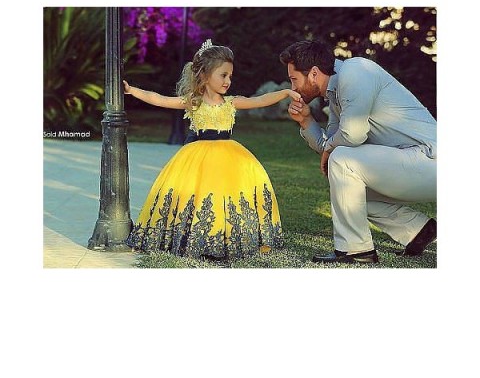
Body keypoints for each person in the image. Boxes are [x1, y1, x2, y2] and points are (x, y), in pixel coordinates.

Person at [123, 39, 300, 260]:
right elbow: (159, 99)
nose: (228, 81)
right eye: (223, 75)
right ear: (205, 76)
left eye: (230, 76)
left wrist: (285, 93)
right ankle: (195, 237)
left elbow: (260, 100)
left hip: (230, 157)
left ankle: (230, 237)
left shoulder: (231, 102)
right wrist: (132, 90)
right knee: (198, 195)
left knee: (228, 194)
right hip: (197, 158)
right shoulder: (193, 102)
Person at [280, 40, 437, 264]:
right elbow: (330, 145)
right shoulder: (335, 93)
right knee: (346, 184)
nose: (293, 88)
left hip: (431, 159)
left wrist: (331, 150)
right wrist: (306, 121)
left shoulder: (355, 71)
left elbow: (352, 135)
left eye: (294, 79)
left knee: (342, 160)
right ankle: (419, 230)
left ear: (313, 73)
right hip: (413, 163)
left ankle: (355, 249)